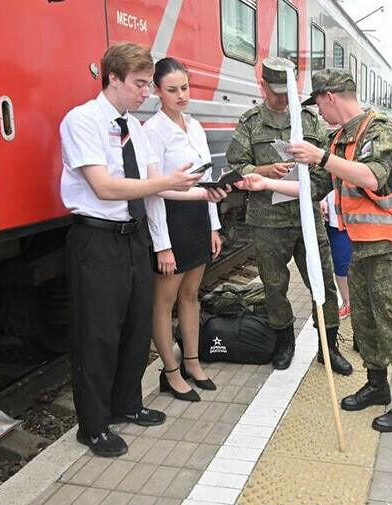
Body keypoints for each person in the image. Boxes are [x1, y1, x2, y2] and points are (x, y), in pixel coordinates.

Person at [238, 68, 392, 433]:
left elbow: (372, 176)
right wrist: (263, 181)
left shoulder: (380, 129)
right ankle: (376, 384)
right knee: (366, 322)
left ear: (330, 97)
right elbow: (317, 187)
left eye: (319, 105)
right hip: (361, 247)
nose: (318, 114)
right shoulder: (340, 140)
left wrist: (319, 157)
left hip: (389, 248)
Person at [59, 42, 205, 457]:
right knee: (98, 333)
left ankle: (127, 404)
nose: (146, 93)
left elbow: (159, 184)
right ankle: (92, 426)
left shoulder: (134, 129)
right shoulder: (82, 121)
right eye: (140, 85)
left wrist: (205, 193)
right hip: (97, 238)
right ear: (113, 79)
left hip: (132, 235)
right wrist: (166, 185)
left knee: (135, 327)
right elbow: (104, 187)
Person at [226, 58, 351, 375]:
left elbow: (329, 165)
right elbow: (236, 166)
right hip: (267, 222)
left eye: (288, 91)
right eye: (276, 91)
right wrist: (262, 171)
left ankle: (328, 346)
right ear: (262, 85)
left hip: (307, 217)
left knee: (322, 281)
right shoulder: (251, 122)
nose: (282, 98)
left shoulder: (310, 122)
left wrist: (314, 183)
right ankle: (285, 342)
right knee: (274, 285)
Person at [144, 57, 227, 402]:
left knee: (191, 295)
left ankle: (191, 362)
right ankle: (170, 371)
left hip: (196, 217)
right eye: (172, 90)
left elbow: (206, 179)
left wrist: (214, 225)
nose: (181, 96)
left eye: (185, 88)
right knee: (163, 302)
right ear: (157, 92)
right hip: (170, 219)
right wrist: (162, 245)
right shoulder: (152, 131)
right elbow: (152, 192)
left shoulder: (194, 125)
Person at [320, 191, 353, 319]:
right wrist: (321, 199)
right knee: (341, 262)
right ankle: (347, 302)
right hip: (336, 217)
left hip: (364, 216)